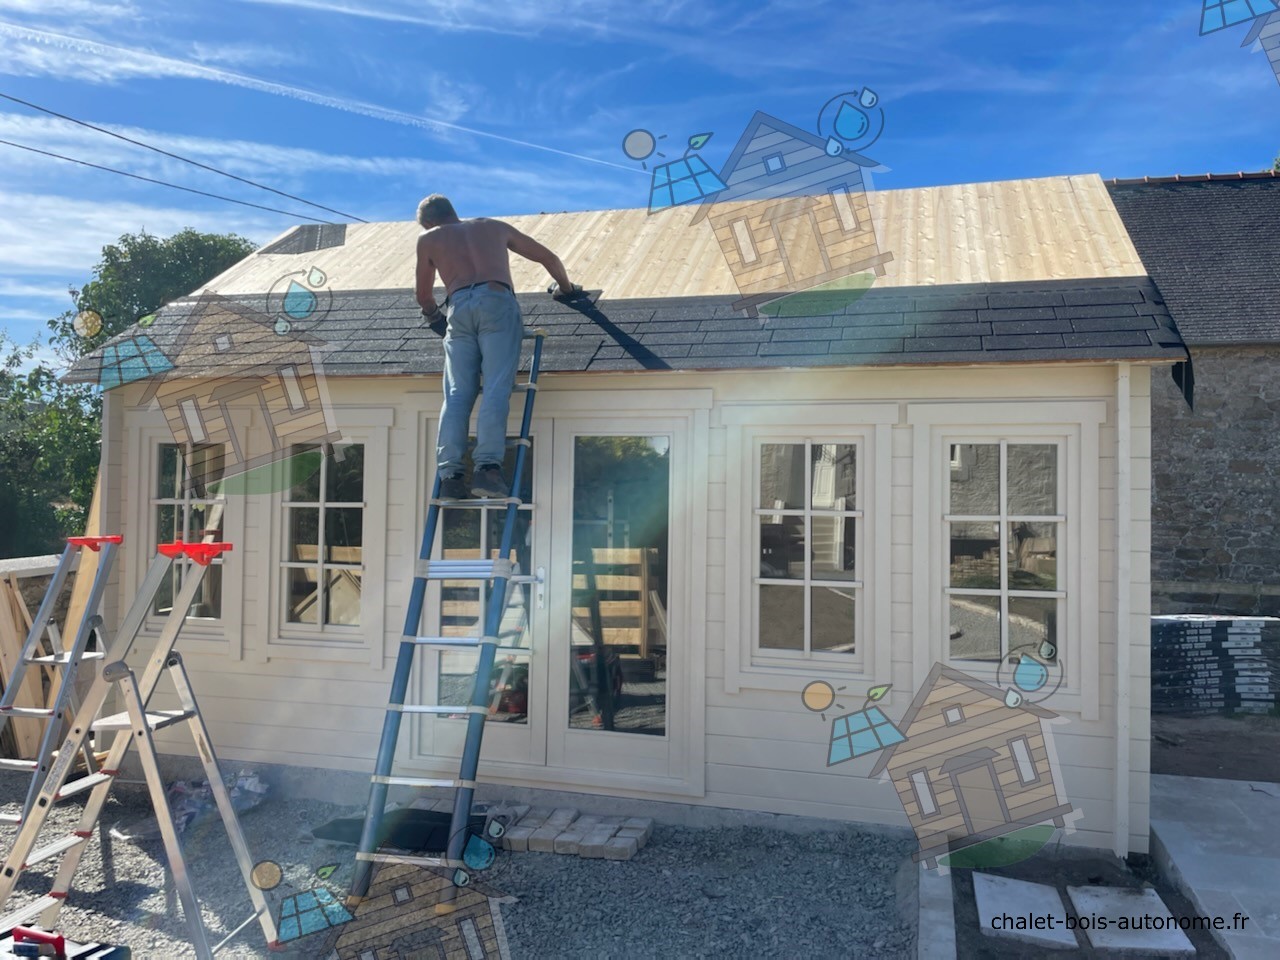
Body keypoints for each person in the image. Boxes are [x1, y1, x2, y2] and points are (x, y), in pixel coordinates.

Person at [415, 194, 577, 500]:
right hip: (496, 302)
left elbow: (424, 296)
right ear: (453, 211)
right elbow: (549, 258)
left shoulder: (429, 239)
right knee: (496, 388)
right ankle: (487, 470)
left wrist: (434, 318)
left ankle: (450, 476)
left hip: (458, 308)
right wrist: (565, 289)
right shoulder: (493, 227)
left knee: (456, 395)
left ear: (428, 222)